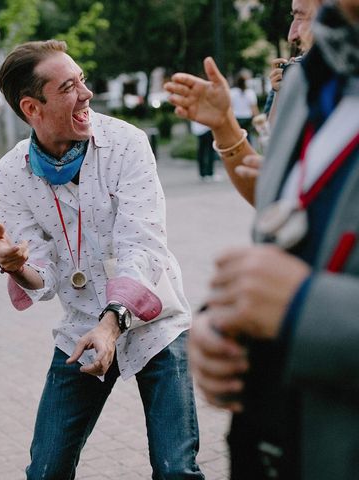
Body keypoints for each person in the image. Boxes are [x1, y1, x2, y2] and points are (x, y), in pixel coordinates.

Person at [0, 40, 204, 479]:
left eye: (82, 80)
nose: (86, 94)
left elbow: (142, 246)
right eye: (69, 87)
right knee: (45, 471)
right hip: (81, 330)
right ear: (33, 108)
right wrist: (18, 268)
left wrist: (111, 325)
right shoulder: (11, 175)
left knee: (175, 471)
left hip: (155, 320)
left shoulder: (127, 143)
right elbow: (45, 277)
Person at [165, 0, 359, 478]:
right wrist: (228, 324)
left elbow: (299, 297)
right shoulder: (310, 79)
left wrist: (304, 310)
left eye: (300, 14)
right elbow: (282, 236)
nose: (293, 33)